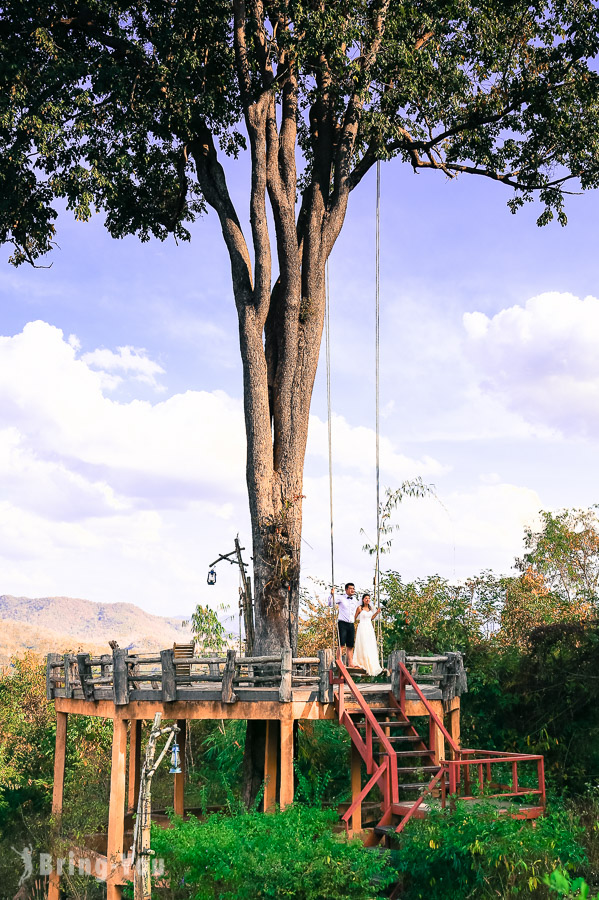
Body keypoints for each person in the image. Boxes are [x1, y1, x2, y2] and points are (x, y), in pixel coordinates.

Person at [353, 593, 384, 676]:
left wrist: (377, 613)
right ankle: (362, 662)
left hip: (369, 627)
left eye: (368, 598)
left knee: (370, 644)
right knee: (363, 644)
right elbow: (354, 617)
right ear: (363, 599)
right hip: (362, 626)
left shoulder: (370, 608)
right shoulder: (360, 608)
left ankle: (371, 662)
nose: (367, 599)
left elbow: (371, 618)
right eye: (366, 598)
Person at [328, 583, 359, 666]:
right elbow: (331, 604)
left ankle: (350, 663)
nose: (352, 590)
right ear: (346, 589)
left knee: (350, 645)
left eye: (353, 588)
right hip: (342, 623)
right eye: (350, 588)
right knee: (341, 644)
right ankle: (339, 661)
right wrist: (332, 595)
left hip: (351, 623)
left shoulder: (355, 600)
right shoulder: (341, 598)